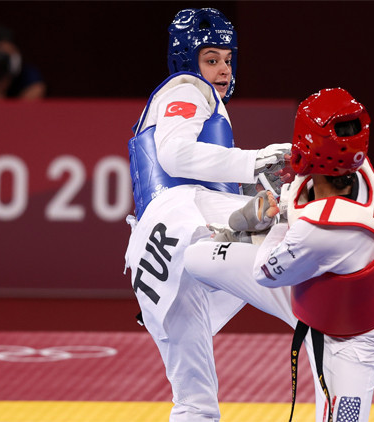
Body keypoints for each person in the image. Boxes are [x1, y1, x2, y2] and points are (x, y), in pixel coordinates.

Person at [185, 88, 374, 422]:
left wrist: (275, 221)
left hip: (353, 340)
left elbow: (264, 273)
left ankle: (239, 242)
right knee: (195, 257)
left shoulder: (320, 230)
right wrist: (284, 203)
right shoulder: (360, 167)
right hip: (311, 291)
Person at [124, 8, 292, 421]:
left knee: (194, 404)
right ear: (187, 60)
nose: (223, 70)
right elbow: (174, 155)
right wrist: (254, 161)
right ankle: (338, 317)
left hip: (157, 255)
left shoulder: (190, 102)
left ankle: (245, 228)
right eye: (211, 59)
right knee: (294, 224)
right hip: (182, 216)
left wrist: (250, 182)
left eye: (228, 59)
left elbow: (191, 162)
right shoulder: (187, 88)